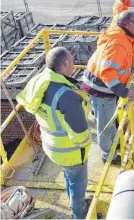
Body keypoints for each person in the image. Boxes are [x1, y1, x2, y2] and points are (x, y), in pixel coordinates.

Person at [16, 47, 92, 219]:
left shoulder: (39, 82)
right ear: (65, 63)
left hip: (52, 147)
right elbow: (80, 134)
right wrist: (86, 146)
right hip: (71, 153)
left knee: (69, 178)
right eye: (71, 62)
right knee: (77, 186)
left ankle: (75, 199)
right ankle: (79, 214)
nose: (74, 65)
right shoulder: (66, 95)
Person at [82, 10, 134, 164]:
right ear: (129, 24)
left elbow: (131, 57)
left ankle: (108, 134)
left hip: (96, 84)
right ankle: (108, 156)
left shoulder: (122, 36)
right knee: (106, 125)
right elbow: (107, 72)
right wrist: (124, 92)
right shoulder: (118, 43)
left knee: (103, 116)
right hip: (101, 90)